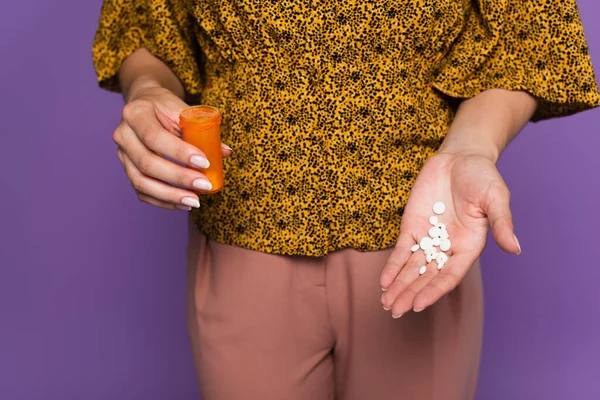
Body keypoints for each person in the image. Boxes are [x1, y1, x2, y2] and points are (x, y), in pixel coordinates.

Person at [93, 1, 599, 399]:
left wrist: (471, 147)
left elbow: (529, 39)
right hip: (243, 240)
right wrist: (147, 90)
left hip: (418, 245)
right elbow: (146, 26)